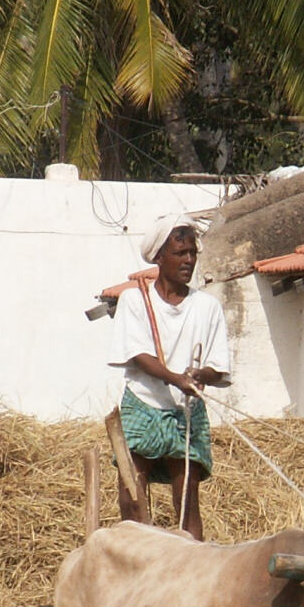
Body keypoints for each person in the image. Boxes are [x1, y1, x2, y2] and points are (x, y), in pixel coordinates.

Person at [108, 214, 231, 540]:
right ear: (159, 257)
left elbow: (218, 366)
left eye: (193, 253)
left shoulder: (207, 307)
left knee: (188, 502)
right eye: (180, 253)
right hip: (142, 404)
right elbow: (138, 355)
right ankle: (137, 556)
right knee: (132, 496)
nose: (189, 260)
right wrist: (177, 378)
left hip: (186, 413)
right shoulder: (135, 300)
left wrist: (200, 374)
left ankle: (192, 565)